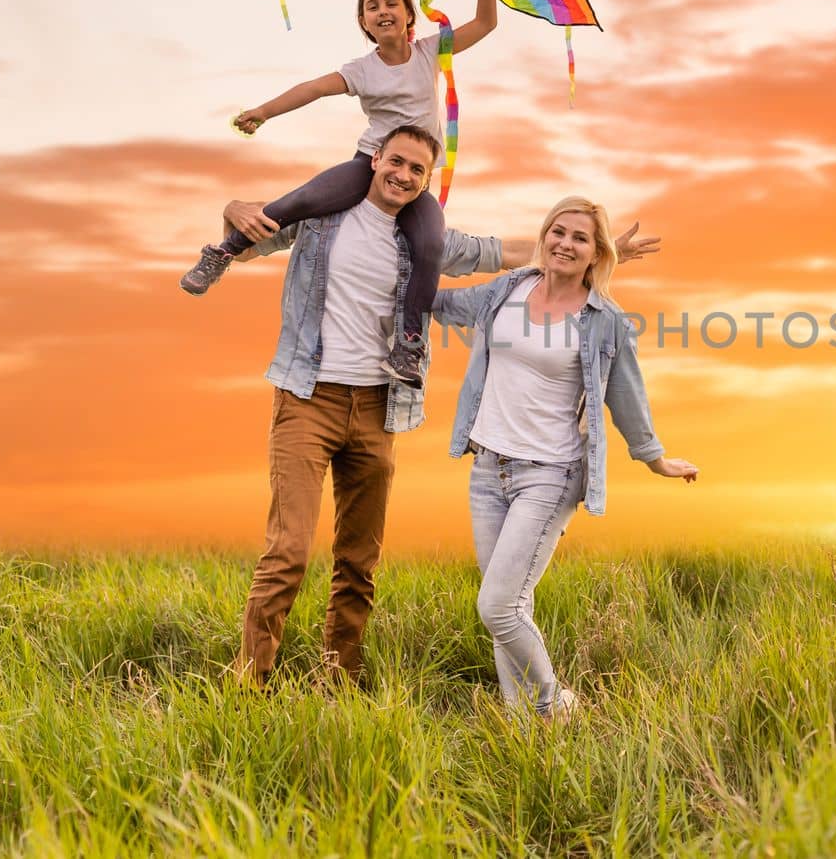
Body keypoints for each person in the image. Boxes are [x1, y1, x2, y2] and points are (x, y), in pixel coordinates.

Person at [231, 129, 658, 689]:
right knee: (288, 552)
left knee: (359, 561)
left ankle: (338, 681)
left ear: (427, 182)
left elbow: (500, 251)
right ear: (374, 159)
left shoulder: (424, 242)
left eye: (418, 170)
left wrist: (600, 256)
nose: (404, 175)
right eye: (397, 162)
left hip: (380, 406)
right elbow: (250, 235)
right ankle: (248, 685)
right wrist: (233, 207)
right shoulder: (320, 218)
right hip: (308, 397)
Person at [181, 0, 498, 390]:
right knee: (303, 201)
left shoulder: (430, 51)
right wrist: (263, 112)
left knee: (430, 246)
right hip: (369, 165)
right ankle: (222, 253)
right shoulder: (363, 70)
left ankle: (408, 343)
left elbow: (486, 22)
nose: (382, 10)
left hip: (414, 180)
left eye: (392, 2)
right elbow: (313, 88)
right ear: (365, 23)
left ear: (410, 15)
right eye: (372, 7)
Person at [432, 196, 698, 720]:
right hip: (489, 468)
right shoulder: (508, 290)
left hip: (549, 475)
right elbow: (440, 304)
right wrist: (402, 266)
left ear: (597, 252)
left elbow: (626, 397)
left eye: (580, 238)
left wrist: (654, 458)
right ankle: (521, 723)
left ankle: (554, 705)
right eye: (558, 231)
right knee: (509, 605)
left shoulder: (606, 321)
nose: (565, 243)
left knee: (498, 607)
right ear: (544, 234)